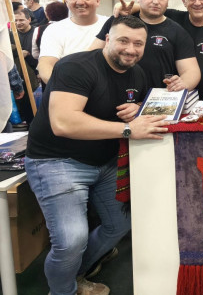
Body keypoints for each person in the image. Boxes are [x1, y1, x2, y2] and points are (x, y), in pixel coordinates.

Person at [25, 15, 170, 295]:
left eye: (138, 44)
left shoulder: (137, 73)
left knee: (120, 224)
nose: (131, 49)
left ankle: (76, 273)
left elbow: (130, 106)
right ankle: (63, 290)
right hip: (57, 161)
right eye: (123, 41)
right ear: (107, 39)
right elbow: (63, 122)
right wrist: (128, 129)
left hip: (105, 162)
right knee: (71, 240)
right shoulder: (76, 66)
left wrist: (137, 108)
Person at [91, 0, 200, 91]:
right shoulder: (118, 22)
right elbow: (91, 55)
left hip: (156, 98)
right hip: (114, 94)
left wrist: (182, 84)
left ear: (167, 0)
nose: (156, 1)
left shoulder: (178, 32)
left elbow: (191, 71)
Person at [37, 0, 108, 84]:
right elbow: (46, 65)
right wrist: (63, 88)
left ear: (97, 1)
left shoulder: (112, 24)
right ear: (66, 1)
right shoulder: (54, 30)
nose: (80, 2)